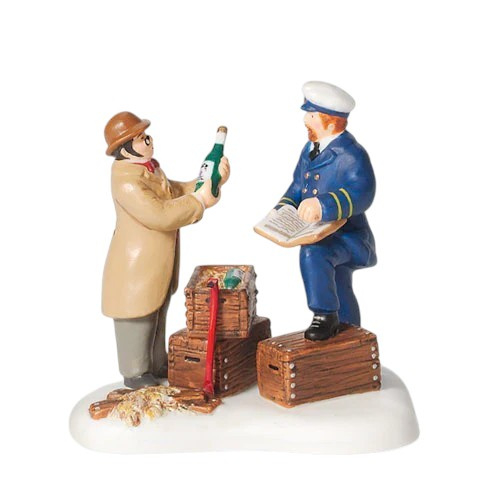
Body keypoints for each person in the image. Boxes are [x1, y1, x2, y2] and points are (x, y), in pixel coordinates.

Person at [102, 112, 230, 388]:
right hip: (136, 267)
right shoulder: (127, 180)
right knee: (138, 318)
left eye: (146, 136)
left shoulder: (148, 170)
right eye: (141, 139)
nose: (148, 141)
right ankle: (135, 371)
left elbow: (174, 192)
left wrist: (207, 184)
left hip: (156, 264)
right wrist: (199, 201)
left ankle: (157, 362)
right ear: (125, 149)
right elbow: (159, 214)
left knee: (157, 312)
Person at [275, 82, 376, 341]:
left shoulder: (352, 154)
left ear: (330, 123)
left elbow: (363, 192)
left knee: (314, 253)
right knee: (339, 284)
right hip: (319, 231)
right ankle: (351, 333)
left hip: (348, 237)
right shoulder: (309, 149)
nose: (305, 120)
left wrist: (323, 205)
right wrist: (284, 208)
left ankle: (324, 315)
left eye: (311, 116)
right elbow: (298, 186)